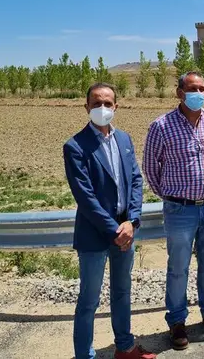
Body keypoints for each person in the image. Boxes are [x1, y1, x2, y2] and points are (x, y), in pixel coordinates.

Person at [63, 82, 156, 359]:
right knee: (89, 301)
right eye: (96, 103)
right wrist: (116, 229)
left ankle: (125, 347)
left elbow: (136, 181)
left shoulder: (124, 140)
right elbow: (85, 197)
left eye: (107, 103)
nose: (102, 108)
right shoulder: (75, 146)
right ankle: (84, 355)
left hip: (125, 231)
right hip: (96, 234)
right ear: (86, 107)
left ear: (116, 106)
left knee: (122, 292)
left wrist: (132, 222)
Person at [142, 72, 204, 351]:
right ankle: (177, 321)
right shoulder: (161, 126)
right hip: (179, 210)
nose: (198, 93)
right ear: (179, 92)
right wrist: (171, 196)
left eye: (202, 88)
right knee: (178, 267)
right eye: (192, 88)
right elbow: (150, 167)